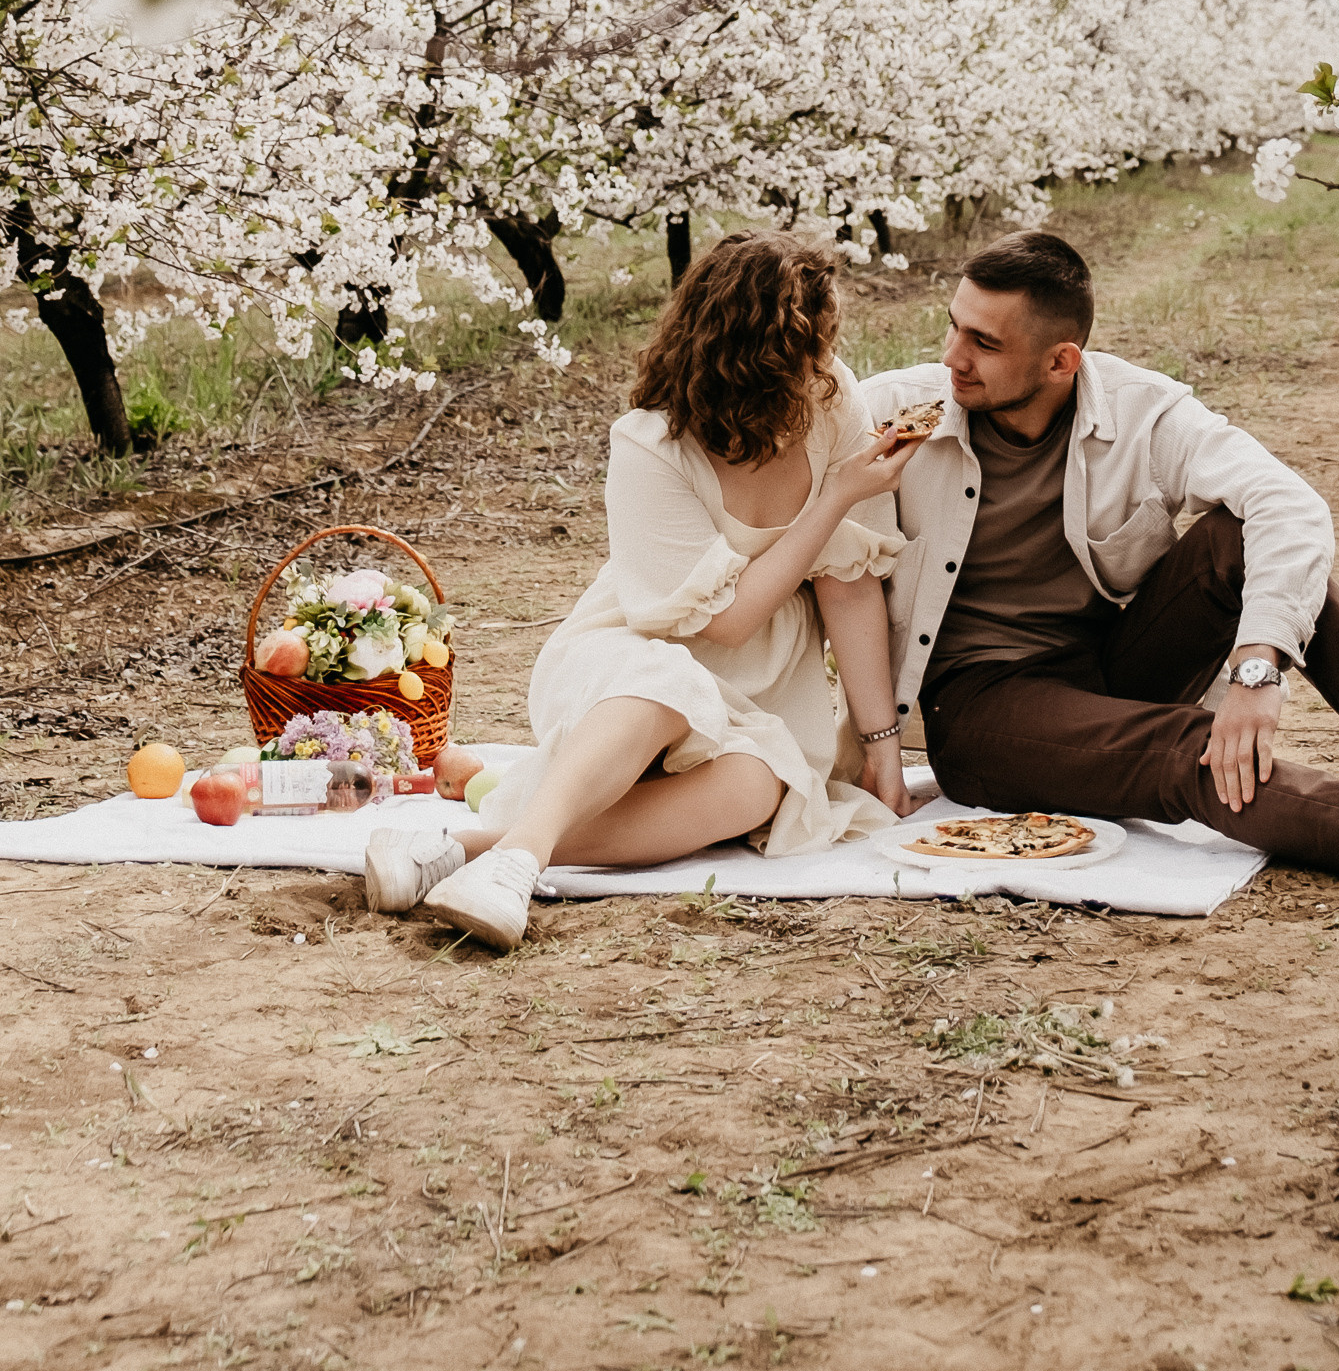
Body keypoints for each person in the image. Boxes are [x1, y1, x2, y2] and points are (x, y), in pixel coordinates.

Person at [864, 228, 1339, 890]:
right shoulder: (902, 414)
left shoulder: (1139, 413)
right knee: (1186, 747)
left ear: (1060, 361)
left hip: (1105, 669)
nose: (953, 356)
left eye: (983, 343)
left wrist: (1256, 672)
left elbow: (1288, 503)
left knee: (1236, 535)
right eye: (954, 327)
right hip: (984, 710)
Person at [363, 230, 926, 952]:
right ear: (752, 363)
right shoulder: (649, 445)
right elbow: (716, 624)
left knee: (761, 786)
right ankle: (513, 866)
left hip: (762, 685)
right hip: (637, 659)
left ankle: (472, 853)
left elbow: (847, 588)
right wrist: (835, 500)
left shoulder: (828, 397)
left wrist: (880, 748)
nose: (822, 365)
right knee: (666, 683)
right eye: (804, 351)